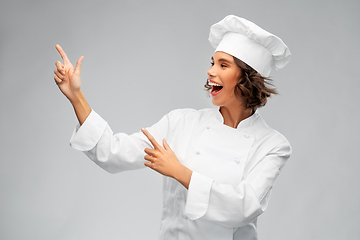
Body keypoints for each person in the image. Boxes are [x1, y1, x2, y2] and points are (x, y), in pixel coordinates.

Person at [53, 15, 292, 240]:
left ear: (247, 77)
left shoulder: (272, 145)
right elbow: (114, 153)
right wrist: (77, 97)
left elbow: (243, 207)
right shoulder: (181, 123)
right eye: (212, 63)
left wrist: (179, 172)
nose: (210, 71)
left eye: (223, 65)